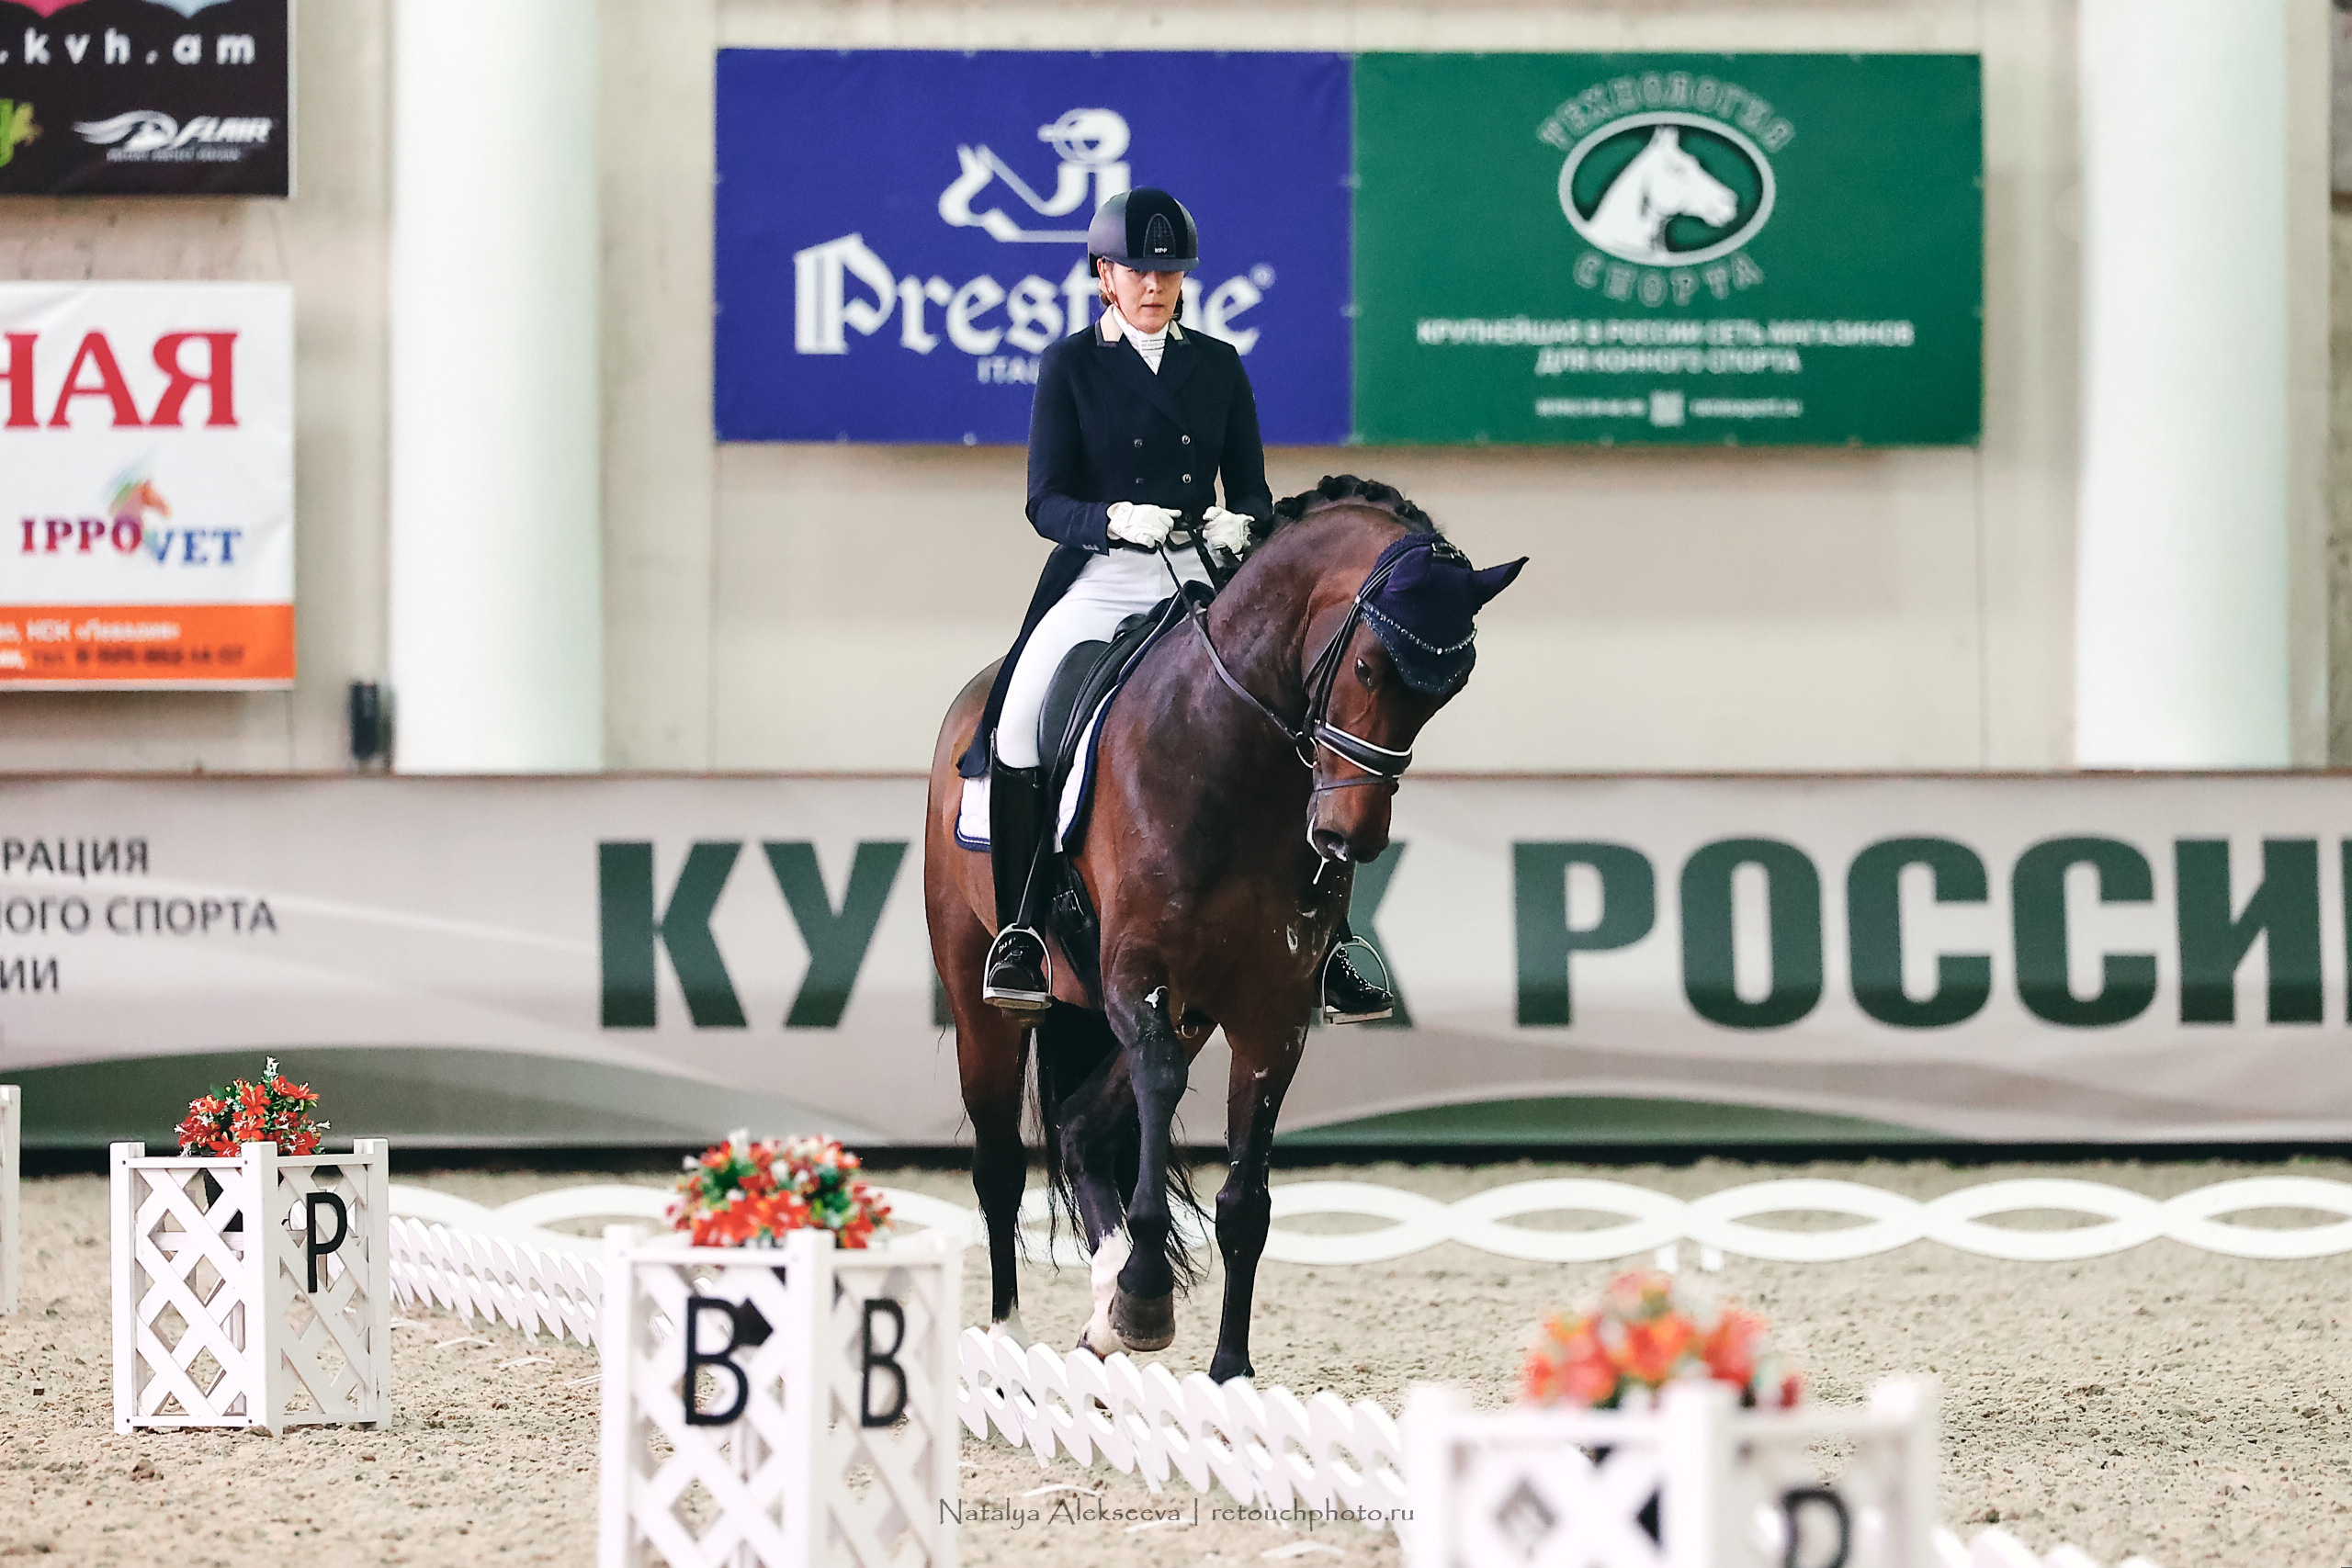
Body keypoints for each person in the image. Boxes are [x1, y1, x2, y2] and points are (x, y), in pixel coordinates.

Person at [957, 186, 1395, 1024]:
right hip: (1104, 576)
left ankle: (1329, 940)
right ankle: (1019, 929)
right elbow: (1045, 501)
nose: (1154, 284)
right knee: (1014, 723)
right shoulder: (1071, 364)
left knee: (1303, 719)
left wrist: (1244, 522)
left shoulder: (1218, 364)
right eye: (1137, 271)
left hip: (1201, 577)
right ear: (1104, 276)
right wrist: (1113, 519)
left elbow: (1253, 487)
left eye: (1168, 271)